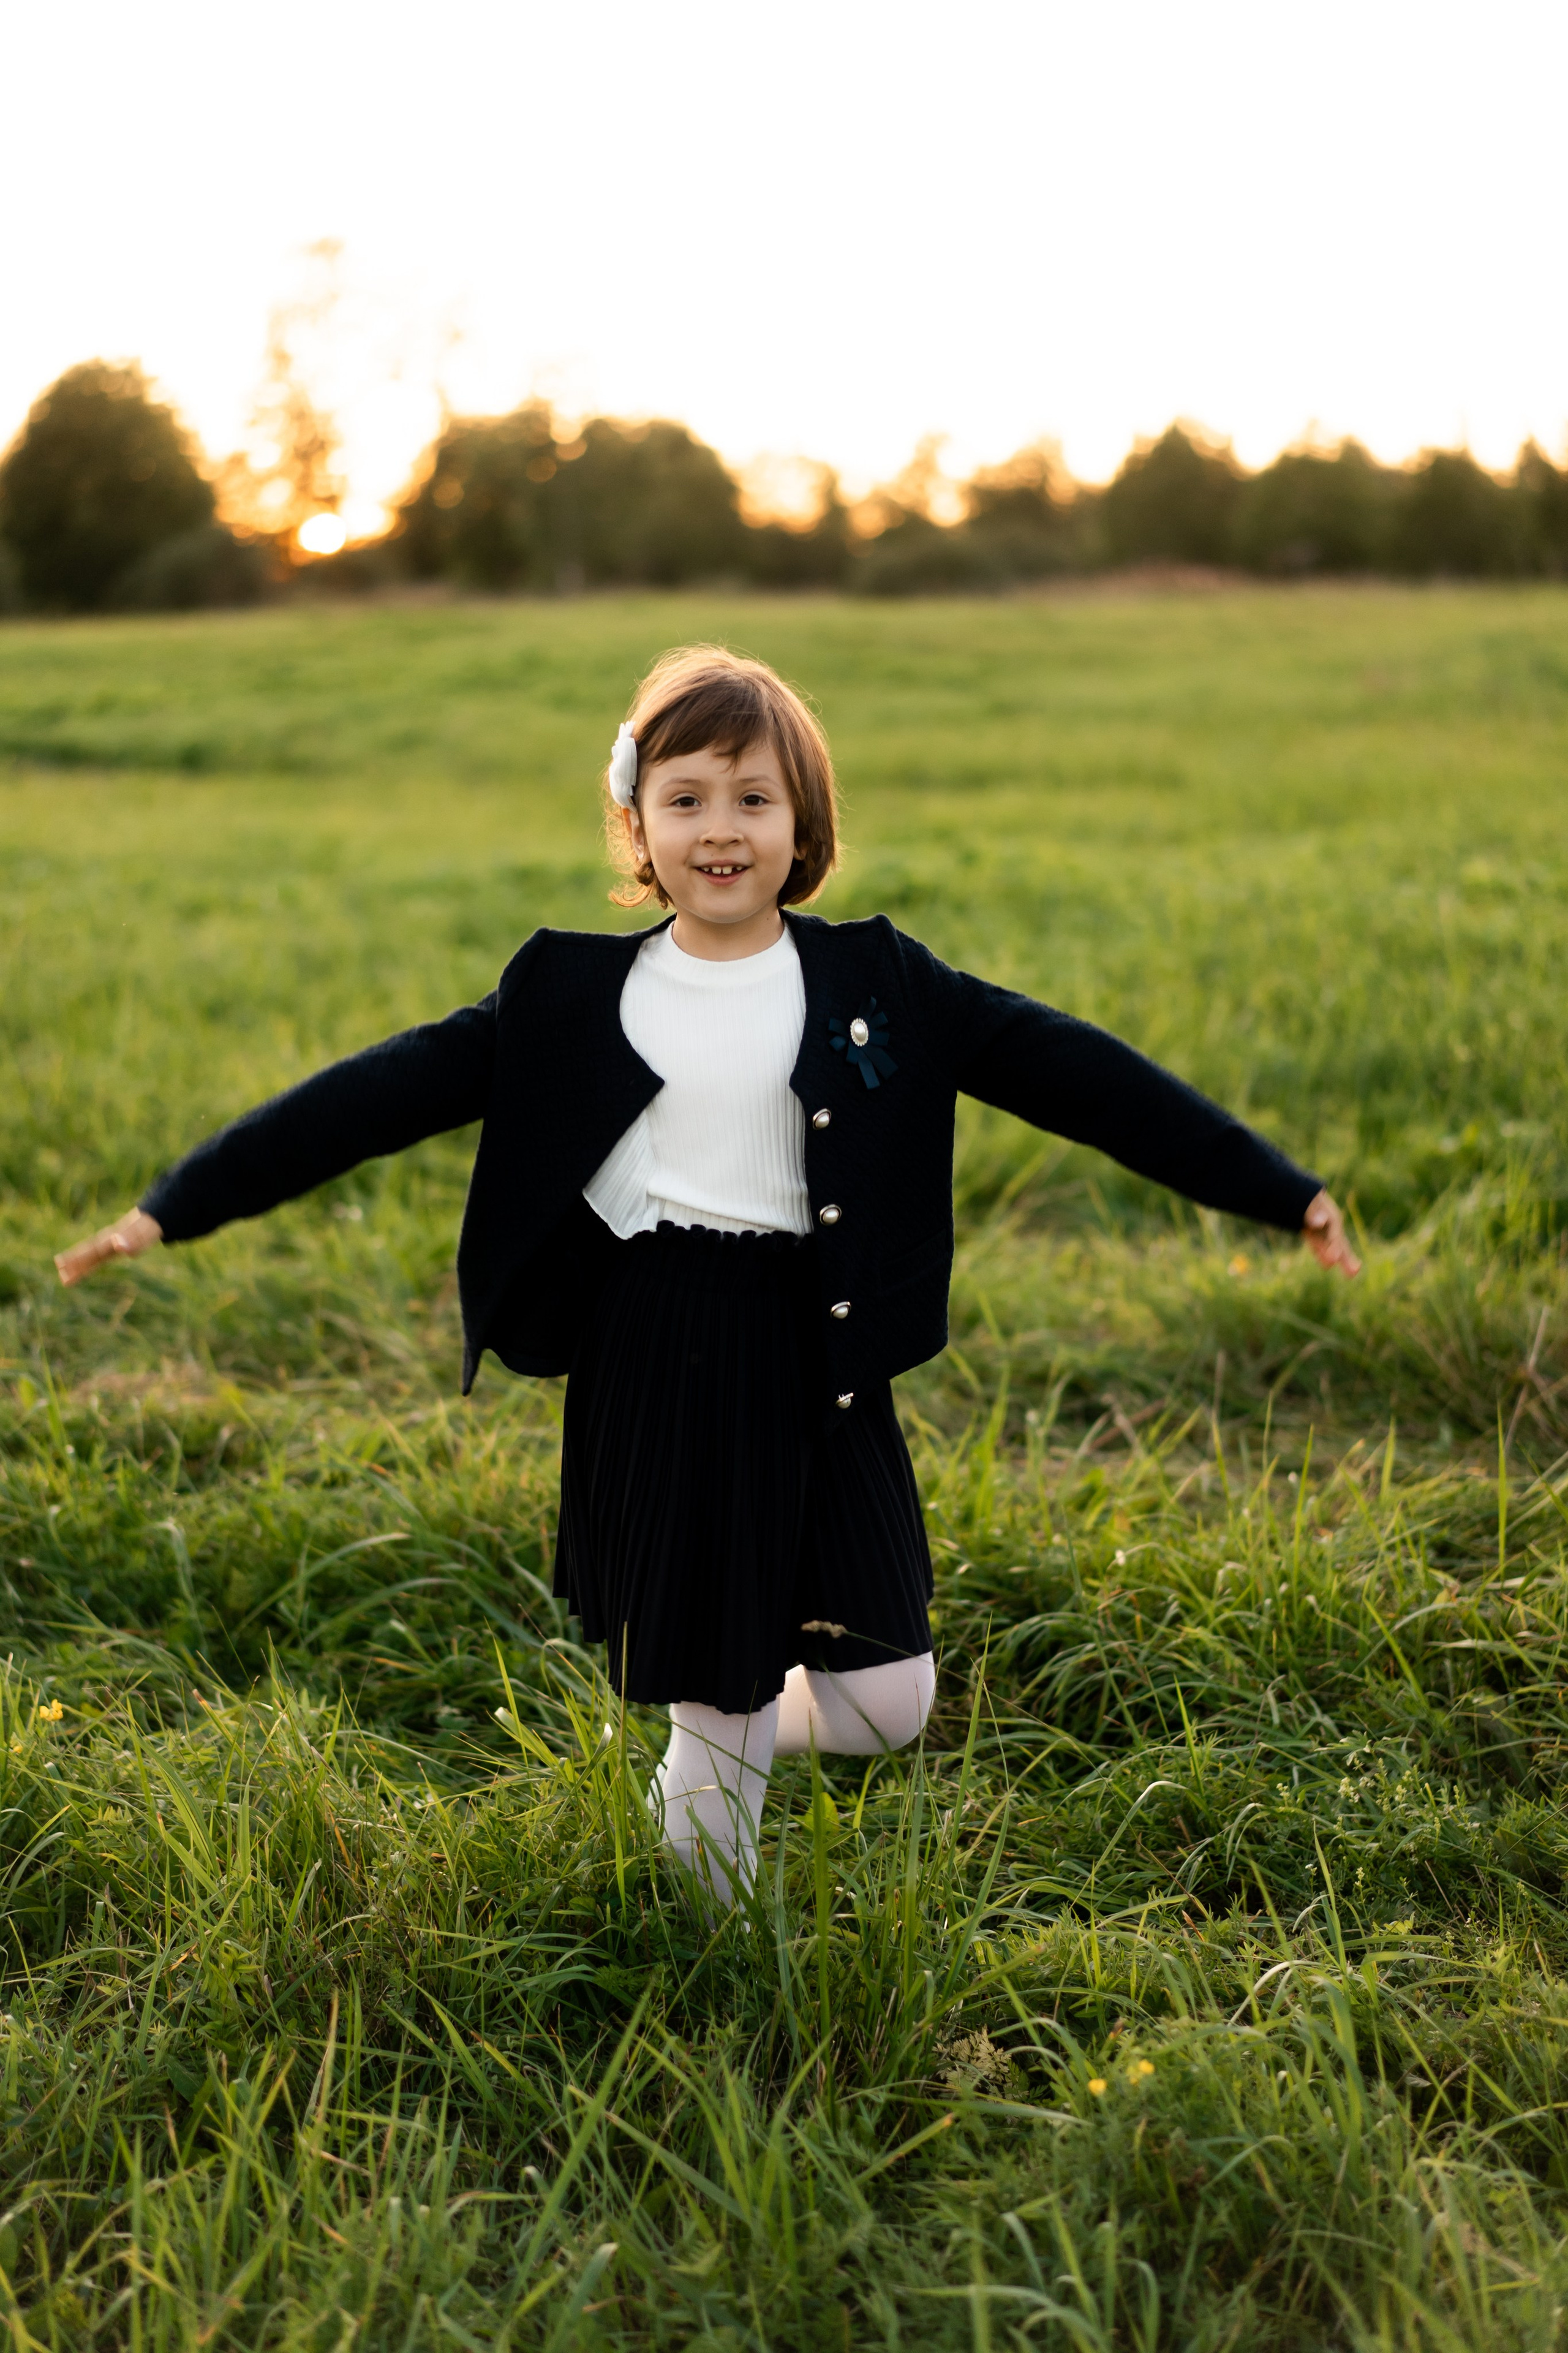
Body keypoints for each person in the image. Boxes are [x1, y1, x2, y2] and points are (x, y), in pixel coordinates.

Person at [57, 644, 1359, 1899]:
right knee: (727, 1685)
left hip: (821, 1349)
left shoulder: (882, 981)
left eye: (752, 797)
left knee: (889, 1699)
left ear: (804, 825)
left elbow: (1084, 1077)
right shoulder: (572, 994)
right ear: (637, 827)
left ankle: (701, 1758)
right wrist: (171, 1207)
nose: (718, 828)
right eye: (683, 799)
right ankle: (706, 1941)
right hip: (659, 1339)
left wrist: (1276, 1187)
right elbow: (365, 1100)